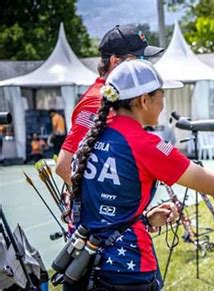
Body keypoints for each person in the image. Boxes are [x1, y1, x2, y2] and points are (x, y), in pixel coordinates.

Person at [62, 60, 214, 291]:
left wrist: (143, 218)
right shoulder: (145, 144)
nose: (164, 103)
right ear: (143, 101)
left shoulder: (93, 136)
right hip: (126, 275)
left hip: (82, 271)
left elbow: (104, 208)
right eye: (161, 95)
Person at [55, 24, 164, 185]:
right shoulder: (95, 102)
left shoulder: (120, 96)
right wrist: (100, 205)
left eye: (147, 59)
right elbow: (64, 166)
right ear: (115, 61)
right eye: (140, 58)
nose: (145, 65)